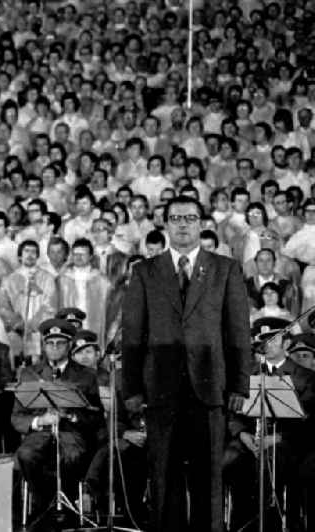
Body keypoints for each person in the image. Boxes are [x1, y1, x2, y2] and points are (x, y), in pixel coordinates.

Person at [122, 196, 252, 532]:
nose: (182, 224)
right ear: (165, 224)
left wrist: (239, 385)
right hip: (160, 390)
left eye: (190, 218)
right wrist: (132, 388)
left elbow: (238, 332)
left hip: (210, 388)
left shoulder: (225, 269)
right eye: (175, 218)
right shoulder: (144, 272)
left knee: (208, 476)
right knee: (163, 477)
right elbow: (132, 336)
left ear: (201, 223)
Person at [224, 317, 315, 531]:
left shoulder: (307, 377)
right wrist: (242, 435)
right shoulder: (247, 375)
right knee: (227, 461)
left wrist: (276, 438)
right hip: (250, 440)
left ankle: (276, 523)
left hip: (286, 443)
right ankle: (241, 523)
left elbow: (310, 421)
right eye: (264, 340)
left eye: (274, 339)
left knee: (274, 462)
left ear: (286, 344)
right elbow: (233, 414)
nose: (268, 344)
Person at [11, 318, 102, 523]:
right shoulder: (29, 373)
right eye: (49, 343)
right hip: (40, 433)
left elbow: (96, 419)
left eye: (59, 343)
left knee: (73, 456)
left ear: (69, 345)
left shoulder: (86, 375)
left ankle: (67, 503)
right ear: (43, 345)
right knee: (26, 454)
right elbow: (16, 418)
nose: (54, 348)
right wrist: (40, 420)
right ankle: (44, 503)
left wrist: (71, 415)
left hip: (72, 434)